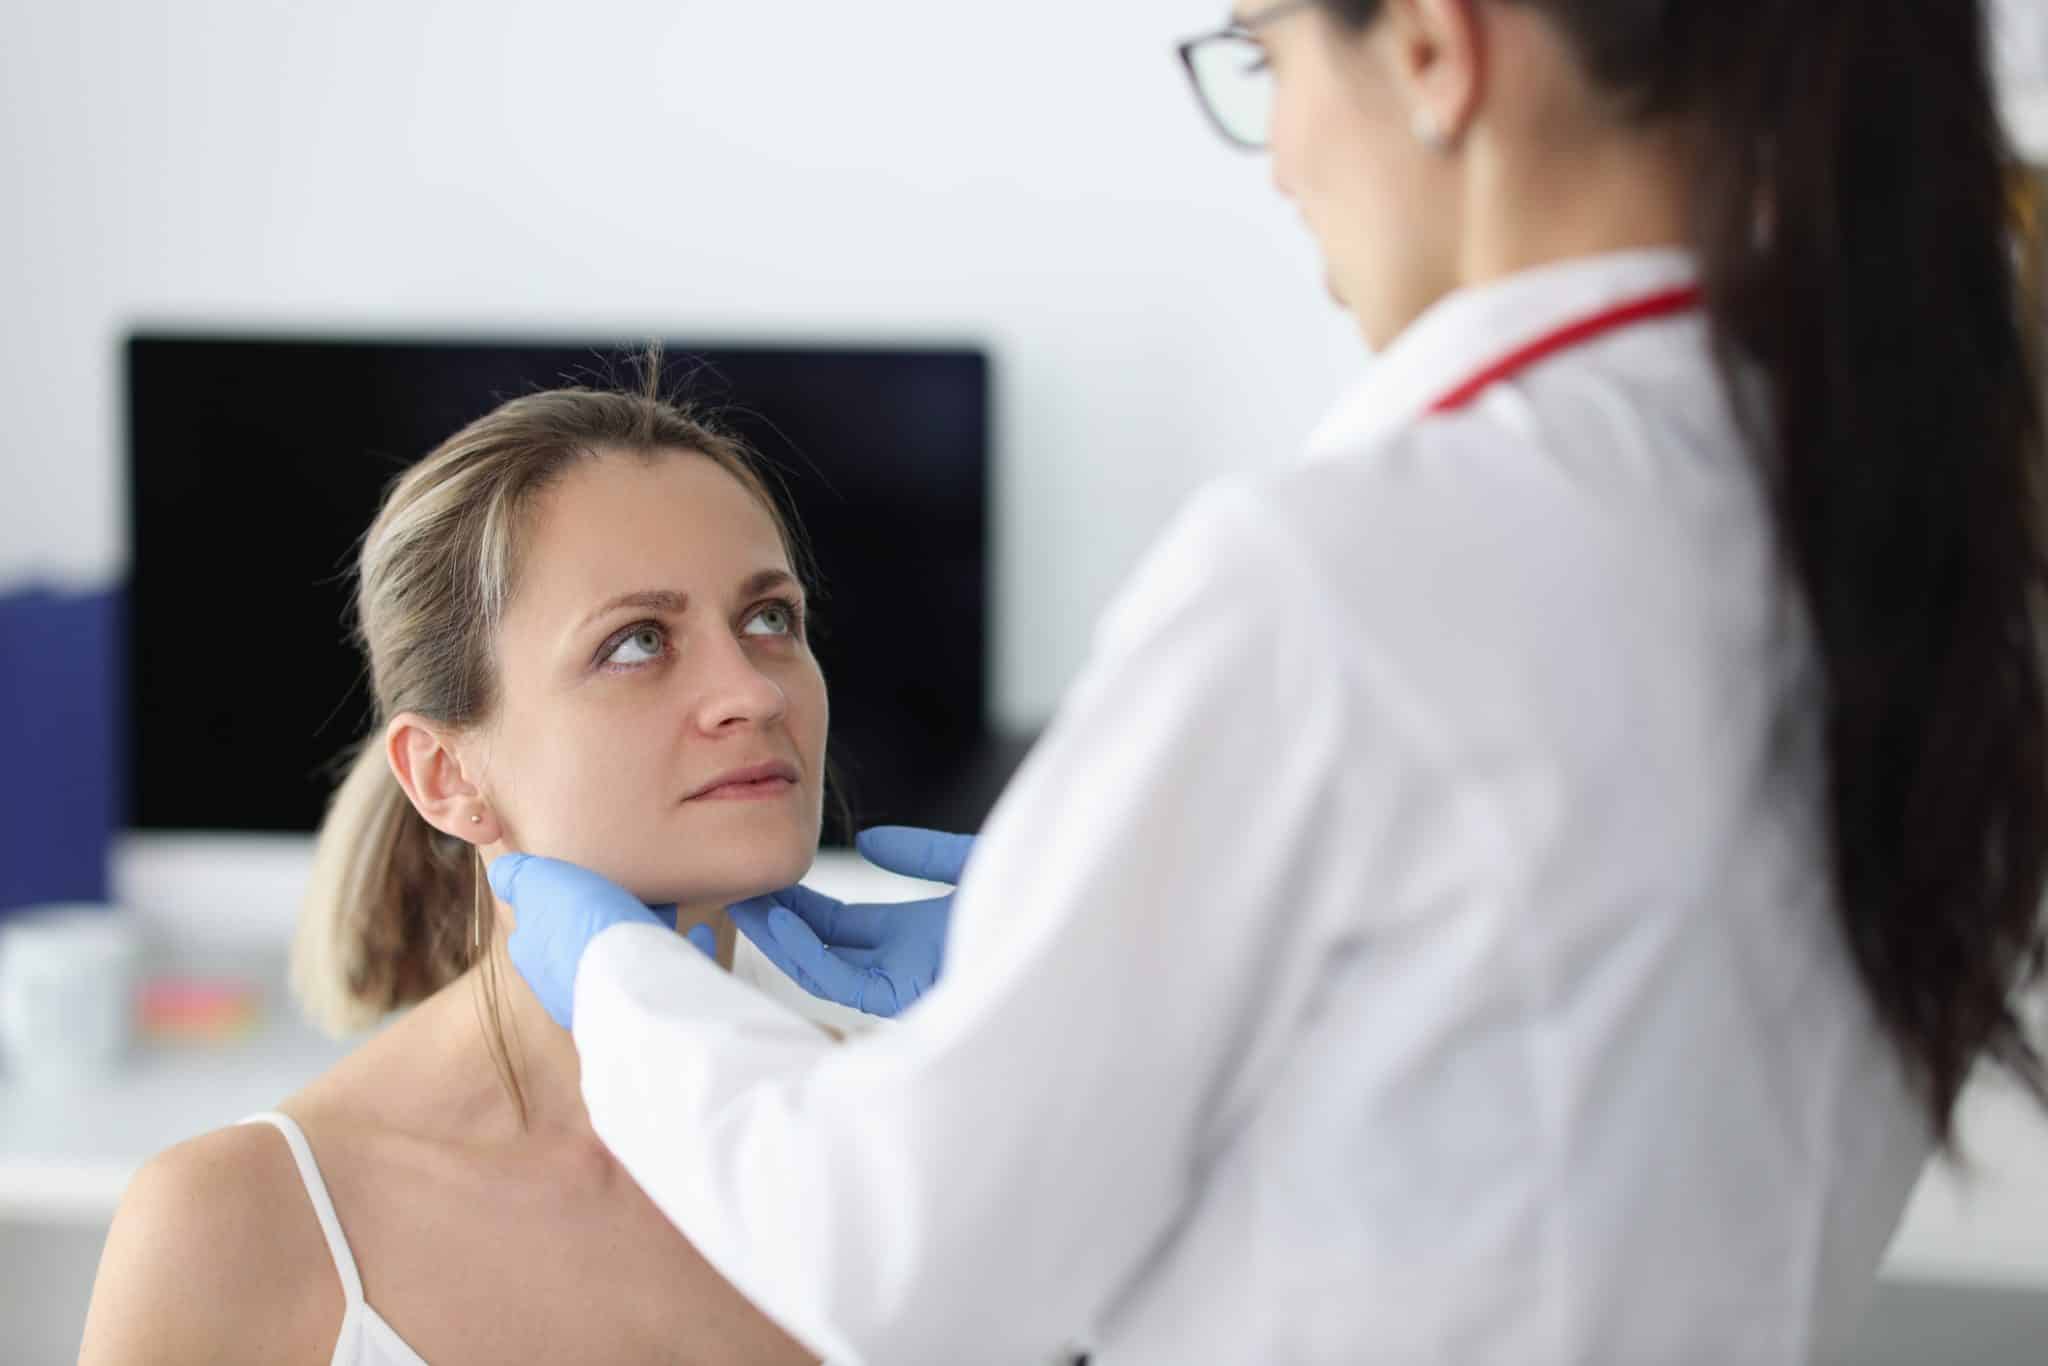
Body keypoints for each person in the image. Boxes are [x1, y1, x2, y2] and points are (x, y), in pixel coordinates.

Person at [492, 1, 2048, 1362]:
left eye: (1261, 56)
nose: (1283, 153)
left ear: (1433, 48)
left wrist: (628, 987)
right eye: (637, 640)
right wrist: (1131, 970)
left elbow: (900, 1265)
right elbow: (1537, 1106)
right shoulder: (1905, 549)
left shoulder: (1345, 575)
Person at [77, 381, 857, 1365]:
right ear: (445, 777)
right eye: (638, 641)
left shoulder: (889, 1126)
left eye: (769, 618)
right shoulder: (236, 1224)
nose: (751, 689)